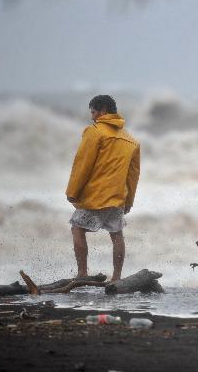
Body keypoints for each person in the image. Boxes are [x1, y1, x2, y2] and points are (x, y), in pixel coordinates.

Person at [66, 95, 140, 282]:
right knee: (117, 234)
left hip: (96, 196)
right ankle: (116, 278)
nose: (92, 117)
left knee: (77, 229)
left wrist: (72, 192)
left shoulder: (95, 132)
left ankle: (82, 273)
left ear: (103, 111)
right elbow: (133, 175)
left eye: (93, 112)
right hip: (118, 198)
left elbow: (83, 164)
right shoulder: (130, 140)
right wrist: (129, 200)